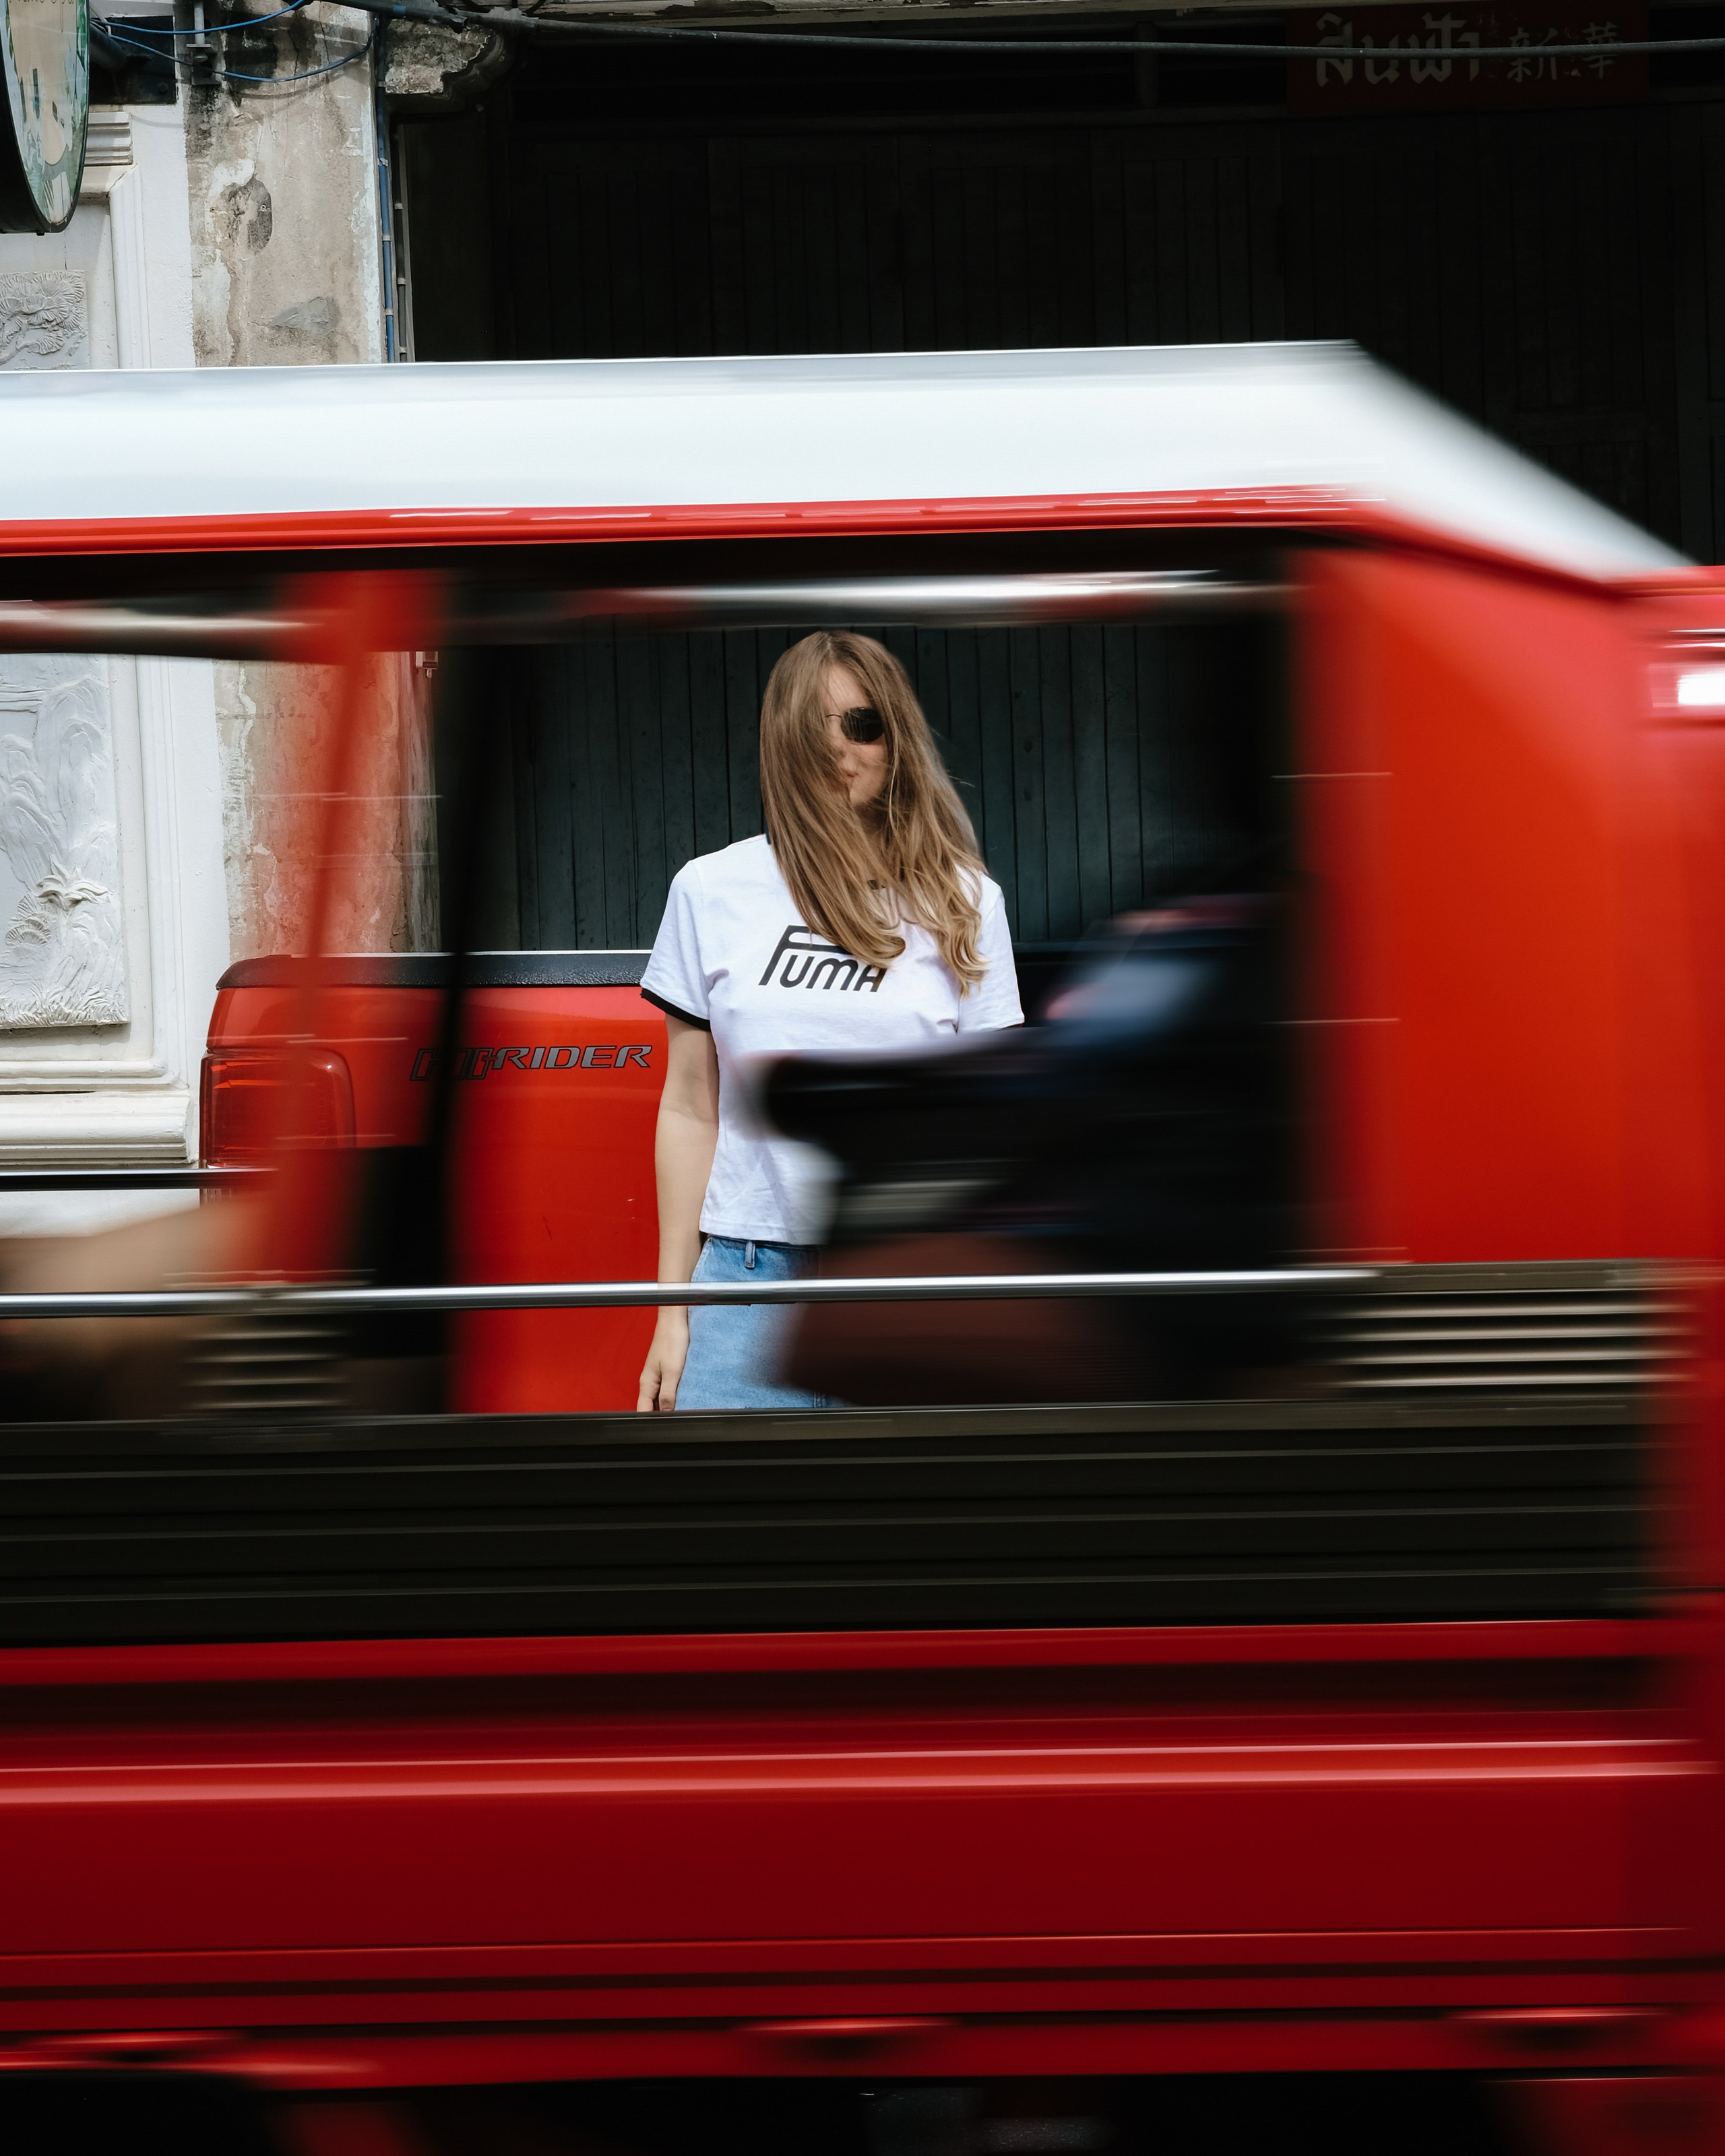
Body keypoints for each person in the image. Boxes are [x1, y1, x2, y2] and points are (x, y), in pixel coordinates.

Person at [635, 630, 1024, 1412]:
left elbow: (993, 1118)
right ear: (781, 741)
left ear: (896, 738)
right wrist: (671, 1311)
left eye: (862, 723)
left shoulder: (965, 900)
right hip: (747, 1279)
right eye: (814, 727)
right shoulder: (710, 888)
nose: (839, 749)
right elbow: (689, 1107)